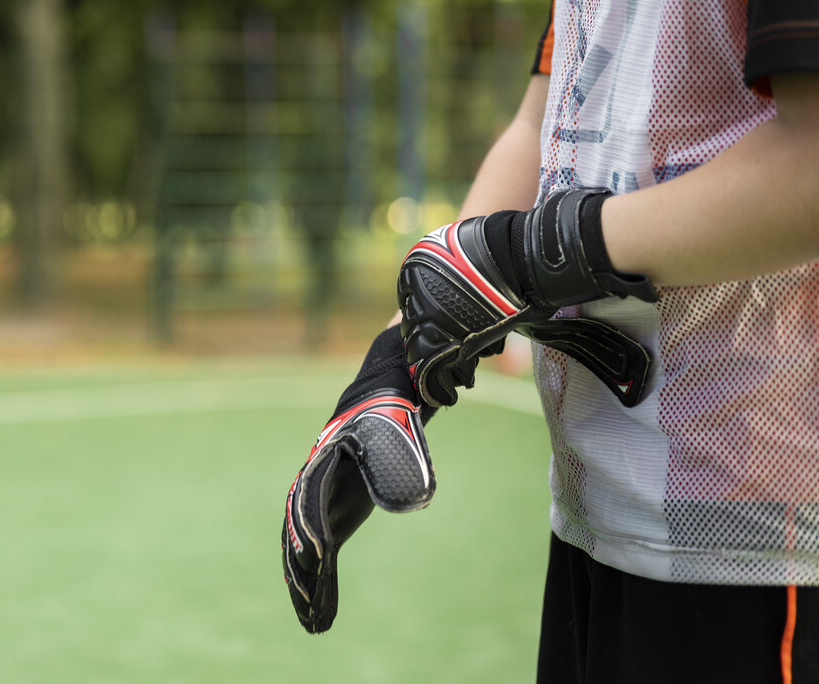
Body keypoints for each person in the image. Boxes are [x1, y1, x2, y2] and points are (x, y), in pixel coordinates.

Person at [283, 2, 819, 681]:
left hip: (758, 538)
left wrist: (534, 257)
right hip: (595, 514)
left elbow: (811, 161)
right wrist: (400, 362)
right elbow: (547, 121)